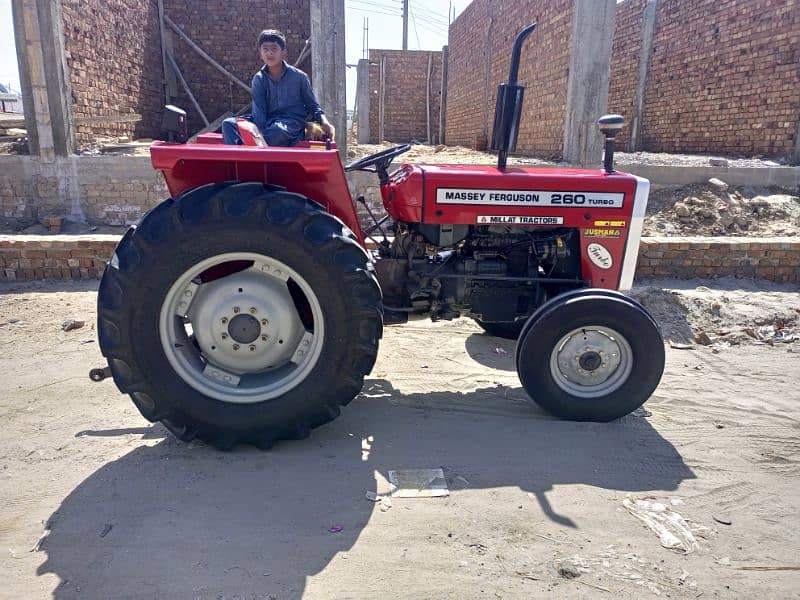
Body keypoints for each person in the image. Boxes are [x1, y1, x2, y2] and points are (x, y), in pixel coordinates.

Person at [222, 30, 335, 146]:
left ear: (283, 53)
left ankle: (253, 151)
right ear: (260, 54)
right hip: (266, 121)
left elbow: (313, 106)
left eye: (274, 49)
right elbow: (259, 113)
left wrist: (325, 122)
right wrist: (257, 131)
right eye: (265, 49)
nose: (269, 53)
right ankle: (243, 158)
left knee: (277, 131)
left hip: (290, 124)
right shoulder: (259, 79)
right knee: (228, 124)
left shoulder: (299, 77)